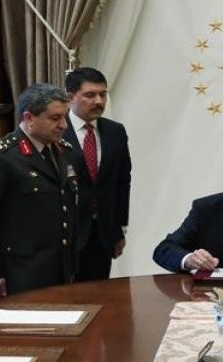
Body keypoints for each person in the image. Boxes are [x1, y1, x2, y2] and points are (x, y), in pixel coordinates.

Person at [0, 83, 78, 299]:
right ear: (29, 118)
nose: (64, 125)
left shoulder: (63, 151)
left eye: (64, 117)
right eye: (55, 118)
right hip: (20, 271)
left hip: (60, 267)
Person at [63, 67, 132, 281]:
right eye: (90, 95)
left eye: (103, 94)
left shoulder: (115, 131)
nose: (99, 101)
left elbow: (122, 182)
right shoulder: (56, 130)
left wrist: (119, 228)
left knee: (98, 294)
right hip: (65, 235)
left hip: (102, 235)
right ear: (70, 97)